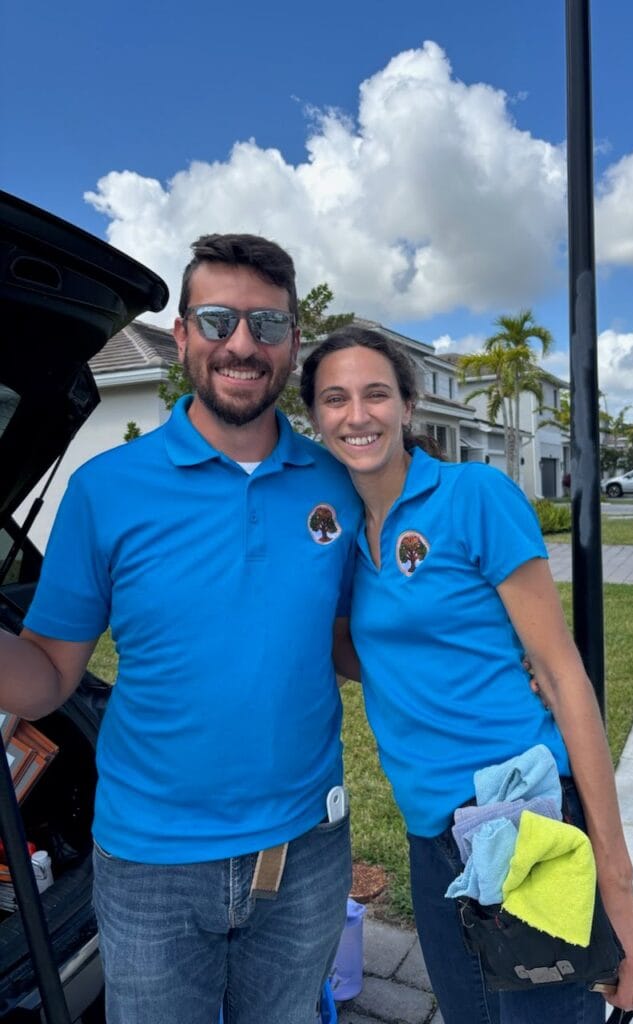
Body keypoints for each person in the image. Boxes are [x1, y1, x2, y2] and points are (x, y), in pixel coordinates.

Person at [0, 235, 363, 1024]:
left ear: (292, 342)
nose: (243, 343)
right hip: (149, 861)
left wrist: (466, 646)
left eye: (267, 325)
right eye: (219, 319)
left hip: (303, 848)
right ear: (184, 335)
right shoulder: (107, 491)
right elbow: (50, 675)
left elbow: (346, 641)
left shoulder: (337, 480)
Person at [299, 326, 633, 1024]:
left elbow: (561, 675)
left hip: (522, 818)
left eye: (376, 393)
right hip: (434, 837)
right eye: (334, 398)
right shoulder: (340, 532)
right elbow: (359, 654)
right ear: (314, 417)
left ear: (409, 405)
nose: (357, 414)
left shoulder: (474, 495)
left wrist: (619, 885)